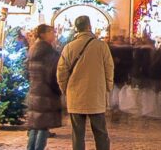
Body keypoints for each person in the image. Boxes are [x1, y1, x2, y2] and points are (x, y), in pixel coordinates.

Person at [57, 15, 115, 150]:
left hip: (75, 94)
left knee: (77, 133)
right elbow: (109, 68)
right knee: (100, 132)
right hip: (96, 94)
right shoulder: (101, 46)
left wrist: (65, 89)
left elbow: (61, 71)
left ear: (76, 28)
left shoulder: (69, 47)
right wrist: (108, 86)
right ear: (89, 26)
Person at [25, 24, 61, 150]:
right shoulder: (49, 52)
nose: (54, 35)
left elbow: (26, 72)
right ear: (43, 34)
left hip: (34, 90)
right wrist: (58, 90)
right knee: (43, 127)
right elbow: (53, 74)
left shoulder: (33, 49)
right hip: (46, 93)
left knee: (36, 125)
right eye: (51, 32)